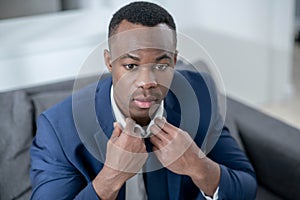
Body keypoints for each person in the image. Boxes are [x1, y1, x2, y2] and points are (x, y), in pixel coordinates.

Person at [30, 1, 257, 199]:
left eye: (161, 65)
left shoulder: (198, 93)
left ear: (175, 60)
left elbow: (245, 186)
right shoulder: (59, 128)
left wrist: (197, 165)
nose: (147, 82)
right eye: (131, 66)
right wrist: (111, 177)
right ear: (109, 63)